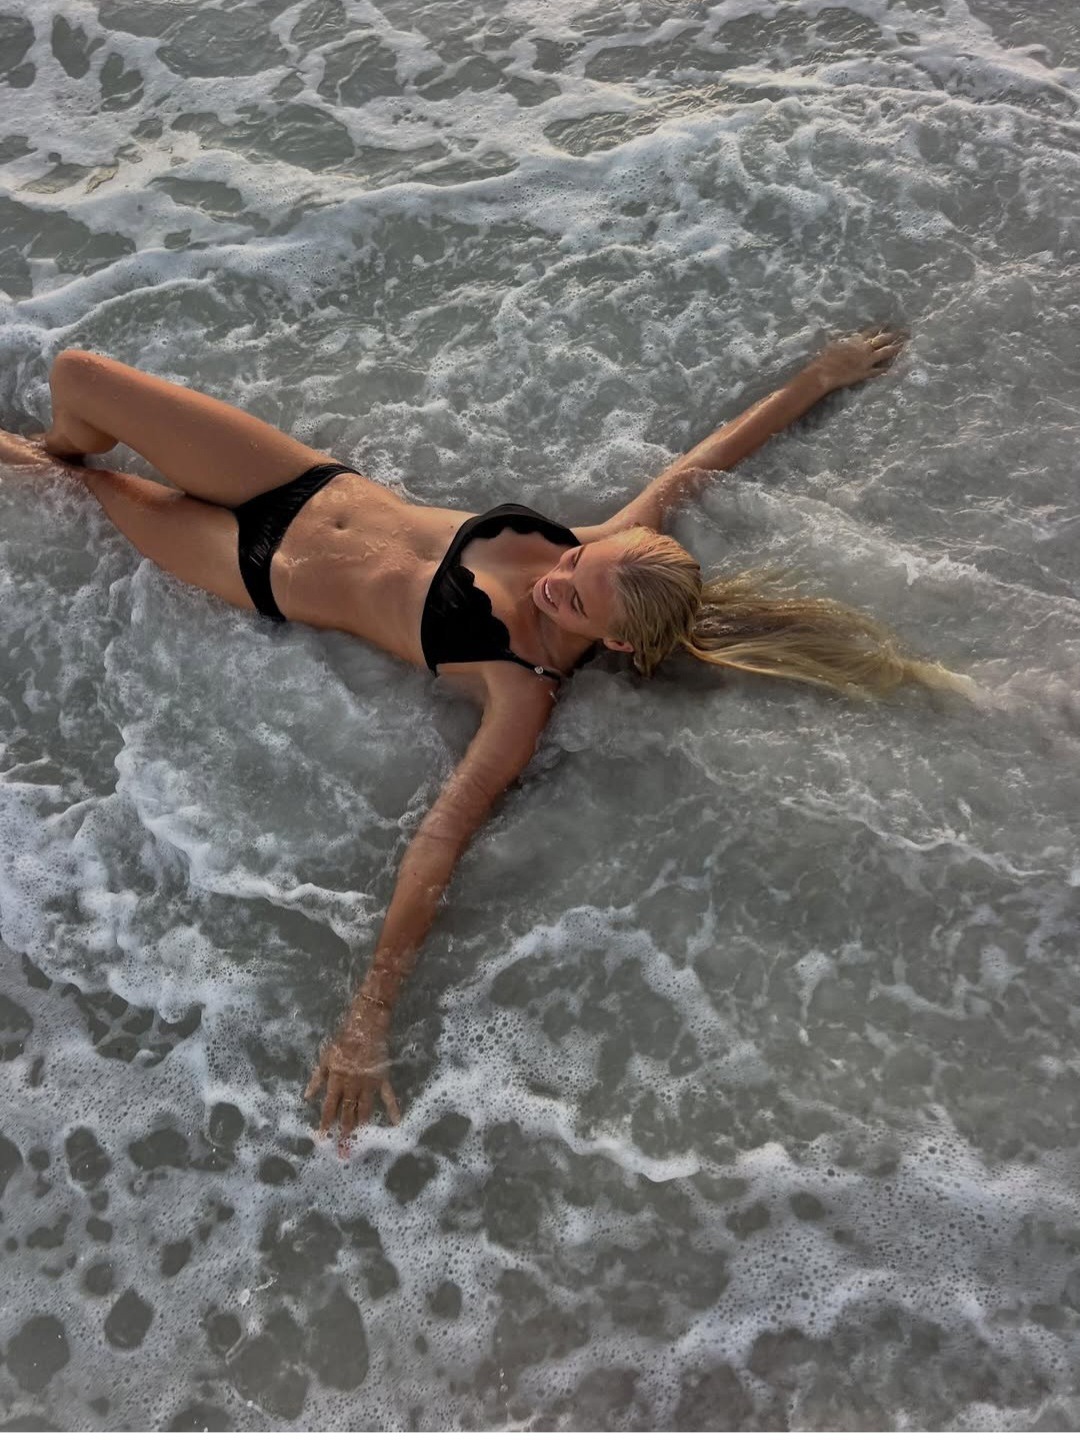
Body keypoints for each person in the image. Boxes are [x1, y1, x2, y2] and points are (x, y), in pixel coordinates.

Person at [0, 328, 961, 1149]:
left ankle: (42, 461)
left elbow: (439, 842)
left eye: (574, 598)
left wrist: (369, 1015)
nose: (557, 577)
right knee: (81, 379)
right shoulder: (601, 553)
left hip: (259, 566)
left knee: (89, 487)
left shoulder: (519, 691)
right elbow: (696, 466)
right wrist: (820, 377)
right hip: (304, 481)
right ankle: (55, 445)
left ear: (612, 641)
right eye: (578, 559)